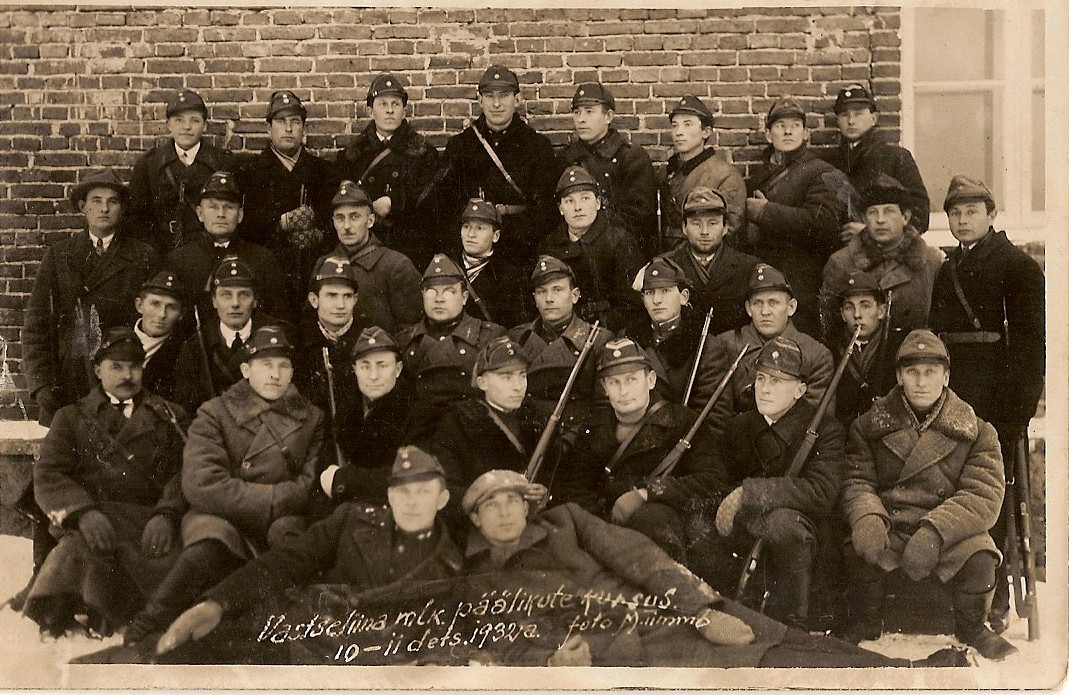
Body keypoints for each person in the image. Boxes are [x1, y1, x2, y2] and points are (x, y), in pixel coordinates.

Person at [459, 470, 964, 668]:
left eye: (511, 501)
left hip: (678, 609)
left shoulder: (566, 521)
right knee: (775, 665)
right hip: (631, 650)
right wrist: (550, 661)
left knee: (788, 638)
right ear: (476, 520)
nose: (504, 513)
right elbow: (499, 645)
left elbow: (643, 558)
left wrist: (700, 610)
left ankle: (906, 671)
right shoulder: (479, 579)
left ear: (528, 506)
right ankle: (909, 676)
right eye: (491, 506)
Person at [129, 446, 462, 664]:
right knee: (176, 653)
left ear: (443, 499)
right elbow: (284, 563)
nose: (412, 502)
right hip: (300, 643)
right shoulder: (351, 520)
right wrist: (217, 603)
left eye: (423, 492)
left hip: (362, 668)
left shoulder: (452, 565)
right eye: (403, 491)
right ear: (388, 495)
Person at [123, 325, 323, 646]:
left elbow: (308, 485)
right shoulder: (215, 412)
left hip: (280, 518)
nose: (275, 374)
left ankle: (275, 633)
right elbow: (201, 484)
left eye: (283, 365)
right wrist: (272, 497)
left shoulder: (311, 418)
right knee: (210, 540)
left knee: (289, 544)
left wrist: (271, 502)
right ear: (246, 370)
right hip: (220, 514)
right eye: (266, 365)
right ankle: (152, 619)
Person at [838, 330, 1015, 660]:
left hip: (948, 535)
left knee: (980, 557)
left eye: (930, 372)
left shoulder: (978, 432)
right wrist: (867, 517)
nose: (921, 382)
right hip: (893, 526)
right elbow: (857, 480)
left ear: (945, 377)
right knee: (858, 547)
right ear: (899, 376)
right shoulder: (868, 427)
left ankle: (972, 627)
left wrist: (935, 531)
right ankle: (865, 621)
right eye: (912, 372)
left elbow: (983, 495)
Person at [928, 174, 1045, 634]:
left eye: (972, 211)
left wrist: (1016, 413)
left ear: (992, 215)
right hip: (952, 396)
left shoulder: (1018, 267)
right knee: (950, 491)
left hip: (996, 401)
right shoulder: (947, 269)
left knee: (991, 498)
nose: (962, 220)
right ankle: (955, 593)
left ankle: (992, 600)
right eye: (955, 213)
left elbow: (1030, 349)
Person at [23, 328, 188, 638]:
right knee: (76, 551)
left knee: (171, 569)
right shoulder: (71, 417)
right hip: (95, 521)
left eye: (135, 366)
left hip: (148, 521)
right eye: (116, 366)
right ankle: (70, 615)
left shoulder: (169, 417)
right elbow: (49, 474)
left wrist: (167, 514)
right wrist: (82, 513)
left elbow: (185, 471)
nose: (127, 375)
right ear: (98, 370)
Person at [692, 338, 844, 631]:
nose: (764, 388)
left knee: (781, 524)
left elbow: (821, 492)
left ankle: (796, 620)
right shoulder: (739, 427)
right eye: (761, 378)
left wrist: (751, 493)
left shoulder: (825, 430)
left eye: (777, 381)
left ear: (800, 390)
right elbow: (719, 481)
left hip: (802, 534)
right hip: (749, 528)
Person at [562, 338, 721, 564]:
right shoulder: (594, 428)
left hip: (667, 535)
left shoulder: (684, 423)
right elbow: (575, 489)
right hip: (608, 532)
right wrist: (605, 521)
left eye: (631, 379)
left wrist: (648, 493)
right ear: (605, 388)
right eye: (614, 382)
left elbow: (712, 480)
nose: (623, 391)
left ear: (651, 380)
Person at [23, 168, 161, 425]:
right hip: (69, 380)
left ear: (122, 209)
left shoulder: (143, 256)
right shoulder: (59, 256)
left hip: (122, 378)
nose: (104, 209)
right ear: (83, 207)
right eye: (96, 201)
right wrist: (41, 385)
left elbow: (154, 327)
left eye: (113, 202)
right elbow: (36, 327)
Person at [429, 65, 560, 268]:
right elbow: (445, 208)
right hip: (471, 254)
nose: (496, 104)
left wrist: (511, 240)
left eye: (504, 95)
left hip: (520, 252)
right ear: (480, 100)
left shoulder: (537, 146)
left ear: (517, 99)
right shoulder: (461, 145)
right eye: (489, 96)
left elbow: (546, 211)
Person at [424, 336, 552, 531]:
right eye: (506, 377)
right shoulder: (457, 424)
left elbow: (558, 474)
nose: (518, 386)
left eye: (522, 375)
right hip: (480, 525)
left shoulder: (539, 419)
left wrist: (543, 492)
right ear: (482, 383)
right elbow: (447, 486)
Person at [690, 264, 834, 436]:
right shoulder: (724, 344)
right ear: (748, 308)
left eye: (773, 303)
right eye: (757, 303)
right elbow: (716, 414)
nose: (765, 311)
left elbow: (816, 418)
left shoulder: (816, 355)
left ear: (791, 307)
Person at [742, 97, 842, 337]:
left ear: (805, 133)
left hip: (801, 284)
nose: (788, 131)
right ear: (768, 135)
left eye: (795, 125)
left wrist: (766, 212)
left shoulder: (821, 172)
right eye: (780, 126)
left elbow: (823, 224)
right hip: (763, 282)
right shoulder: (759, 178)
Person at [236, 90, 339, 309]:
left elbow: (336, 221)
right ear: (269, 128)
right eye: (281, 122)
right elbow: (244, 226)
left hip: (313, 272)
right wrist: (280, 223)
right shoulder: (250, 173)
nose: (289, 128)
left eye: (295, 122)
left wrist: (318, 233)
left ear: (304, 129)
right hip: (269, 275)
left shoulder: (324, 171)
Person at [333, 73, 441, 268]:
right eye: (383, 104)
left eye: (395, 104)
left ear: (404, 111)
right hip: (365, 249)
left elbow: (432, 204)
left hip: (409, 248)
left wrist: (395, 204)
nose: (390, 110)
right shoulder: (353, 155)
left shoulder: (424, 153)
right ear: (370, 111)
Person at [394, 254, 506, 441]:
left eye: (448, 292)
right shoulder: (405, 341)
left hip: (473, 437)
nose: (439, 299)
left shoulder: (489, 337)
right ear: (422, 295)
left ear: (464, 297)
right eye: (431, 291)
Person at [820, 174, 943, 342]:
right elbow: (829, 326)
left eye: (889, 211)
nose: (880, 220)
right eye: (872, 212)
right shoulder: (841, 262)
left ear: (905, 217)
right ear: (864, 219)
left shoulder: (931, 262)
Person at [163, 170, 288, 327]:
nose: (221, 214)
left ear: (240, 215)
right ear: (200, 213)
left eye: (229, 207)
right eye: (213, 207)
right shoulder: (178, 260)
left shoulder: (262, 259)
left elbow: (278, 317)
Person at [172, 256, 288, 416]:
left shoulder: (279, 337)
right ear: (214, 301)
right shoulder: (196, 346)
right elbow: (188, 410)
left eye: (244, 295)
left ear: (255, 301)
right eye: (226, 295)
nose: (235, 303)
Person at [538, 165, 645, 332]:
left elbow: (631, 305)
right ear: (560, 209)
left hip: (605, 331)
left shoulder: (619, 241)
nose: (578, 207)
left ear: (598, 203)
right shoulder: (550, 245)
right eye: (569, 201)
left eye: (585, 198)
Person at [127, 89, 236, 254]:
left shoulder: (222, 162)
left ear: (204, 125)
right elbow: (136, 217)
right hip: (161, 251)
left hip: (206, 251)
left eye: (194, 120)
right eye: (179, 120)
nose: (187, 127)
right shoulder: (149, 164)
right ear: (169, 125)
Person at [318, 327, 416, 508]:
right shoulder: (345, 412)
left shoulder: (417, 412)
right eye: (365, 366)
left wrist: (344, 480)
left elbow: (410, 476)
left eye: (382, 365)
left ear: (398, 369)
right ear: (354, 369)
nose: (373, 376)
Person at [821, 84, 930, 240]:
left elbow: (920, 216)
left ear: (873, 118)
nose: (851, 121)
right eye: (845, 115)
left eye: (858, 114)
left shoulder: (896, 157)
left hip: (882, 251)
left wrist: (870, 231)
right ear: (838, 121)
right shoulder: (826, 162)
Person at [557, 82, 657, 252]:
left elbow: (639, 216)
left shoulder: (631, 157)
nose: (581, 119)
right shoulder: (566, 158)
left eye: (589, 111)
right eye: (577, 112)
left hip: (620, 250)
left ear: (608, 117)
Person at [315, 180, 422, 334]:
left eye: (354, 217)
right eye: (340, 218)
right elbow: (311, 327)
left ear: (370, 221)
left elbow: (412, 331)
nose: (346, 226)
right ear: (333, 222)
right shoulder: (323, 264)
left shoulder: (396, 265)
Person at [662, 186, 760, 337]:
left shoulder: (748, 267)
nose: (704, 231)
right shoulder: (666, 265)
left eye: (712, 223)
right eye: (696, 224)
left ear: (725, 227)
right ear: (684, 228)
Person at [292, 255, 363, 444]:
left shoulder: (368, 339)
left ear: (356, 299)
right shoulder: (297, 343)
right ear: (314, 300)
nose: (340, 305)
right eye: (331, 295)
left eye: (347, 296)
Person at [658, 96, 746, 248]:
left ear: (706, 132)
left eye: (687, 124)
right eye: (675, 126)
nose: (679, 132)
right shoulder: (665, 172)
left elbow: (729, 231)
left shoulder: (726, 176)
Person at [623, 255, 707, 405]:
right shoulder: (628, 340)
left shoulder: (705, 345)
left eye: (665, 291)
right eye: (650, 292)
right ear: (643, 300)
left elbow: (713, 412)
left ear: (684, 297)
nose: (657, 300)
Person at [827, 271, 903, 429]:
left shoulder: (898, 347)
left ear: (881, 311)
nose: (857, 315)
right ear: (842, 314)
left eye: (865, 306)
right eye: (849, 307)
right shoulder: (832, 350)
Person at [455, 197, 530, 329]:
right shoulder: (448, 264)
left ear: (496, 236)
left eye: (480, 228)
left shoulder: (509, 277)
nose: (471, 234)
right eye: (466, 226)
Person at [134, 271, 187, 404]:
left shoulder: (184, 352)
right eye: (155, 304)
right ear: (139, 305)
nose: (162, 314)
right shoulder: (112, 338)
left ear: (181, 314)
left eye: (171, 307)